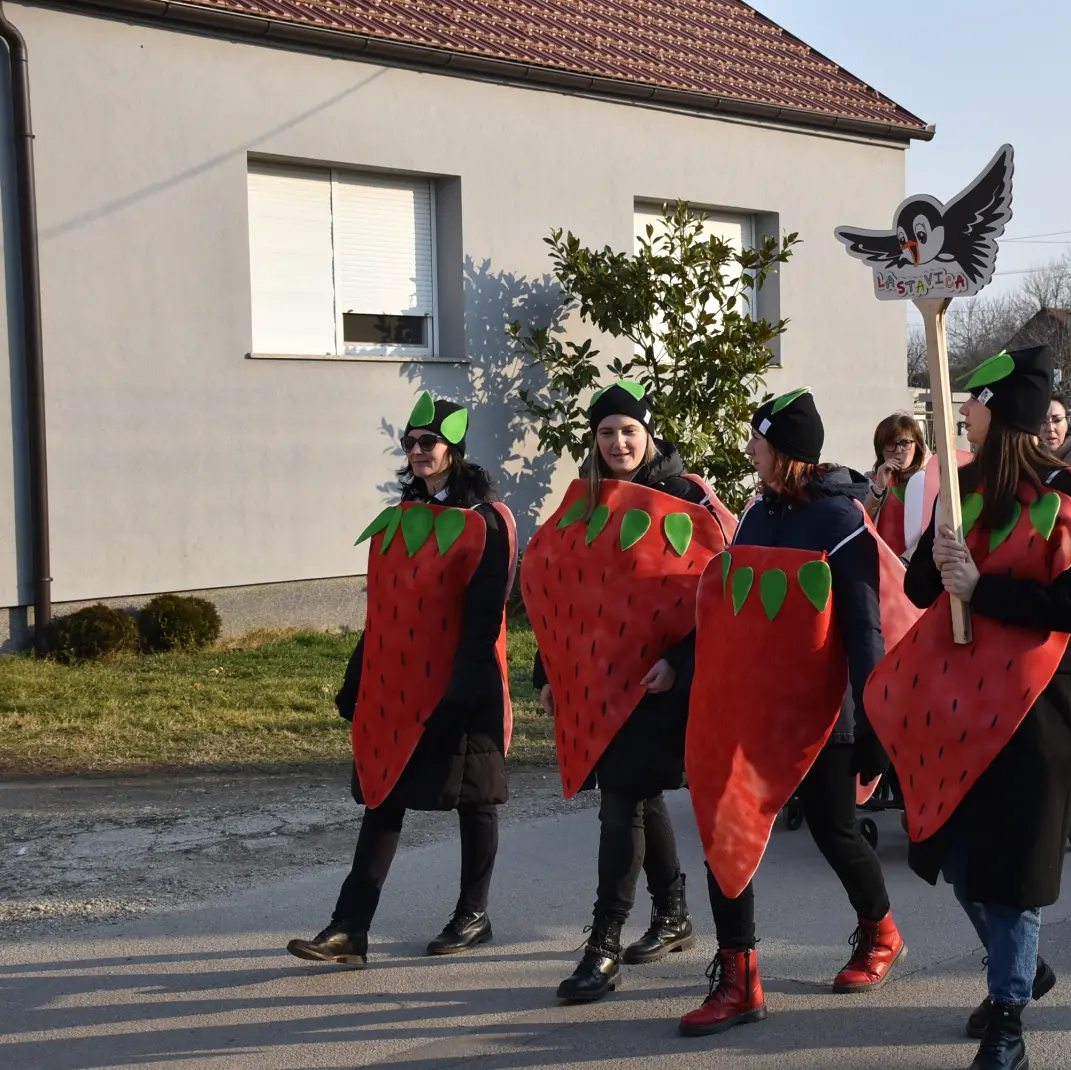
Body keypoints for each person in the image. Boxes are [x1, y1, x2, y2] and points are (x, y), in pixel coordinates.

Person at [898, 344, 1071, 1070]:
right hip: (954, 711)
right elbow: (921, 591)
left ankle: (1008, 1018)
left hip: (1032, 716)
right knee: (958, 859)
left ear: (1003, 410)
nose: (963, 413)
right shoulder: (955, 487)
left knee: (1012, 876)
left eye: (974, 403)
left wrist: (982, 588)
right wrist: (940, 558)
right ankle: (1017, 969)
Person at [678, 387, 903, 1037]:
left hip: (824, 714)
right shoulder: (757, 517)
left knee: (836, 830)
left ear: (785, 450)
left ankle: (880, 932)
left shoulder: (842, 524)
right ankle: (740, 977)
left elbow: (865, 632)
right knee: (729, 829)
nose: (750, 449)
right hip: (751, 711)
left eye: (758, 440)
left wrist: (875, 728)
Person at [288, 393, 514, 967]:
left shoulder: (485, 522)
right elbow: (383, 613)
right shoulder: (399, 521)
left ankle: (473, 913)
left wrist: (463, 689)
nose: (416, 452)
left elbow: (486, 616)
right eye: (409, 443)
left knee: (474, 801)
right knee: (381, 795)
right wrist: (356, 676)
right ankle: (349, 928)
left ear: (453, 450)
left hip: (465, 687)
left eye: (427, 443)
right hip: (400, 688)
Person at [532, 383, 723, 1002]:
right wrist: (549, 673)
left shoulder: (688, 498)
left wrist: (680, 662)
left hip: (661, 683)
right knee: (634, 796)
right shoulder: (581, 502)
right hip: (597, 680)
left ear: (649, 434)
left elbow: (719, 599)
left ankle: (604, 946)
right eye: (608, 432)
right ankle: (671, 915)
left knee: (621, 802)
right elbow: (563, 590)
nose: (618, 443)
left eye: (629, 432)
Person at [865, 413, 933, 559]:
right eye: (890, 444)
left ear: (917, 446)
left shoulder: (929, 481)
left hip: (914, 566)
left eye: (905, 443)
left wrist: (905, 561)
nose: (898, 451)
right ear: (880, 449)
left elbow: (933, 531)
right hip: (879, 564)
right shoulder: (871, 480)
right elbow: (861, 525)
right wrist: (878, 489)